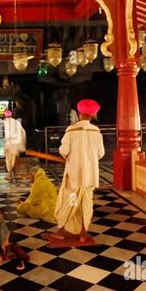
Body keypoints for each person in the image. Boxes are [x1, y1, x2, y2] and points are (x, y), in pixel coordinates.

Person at [43, 99, 104, 247]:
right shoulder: (97, 132)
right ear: (94, 115)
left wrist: (71, 156)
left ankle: (61, 232)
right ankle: (83, 234)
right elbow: (100, 154)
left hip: (74, 176)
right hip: (90, 177)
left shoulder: (71, 130)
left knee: (70, 202)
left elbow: (63, 151)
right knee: (86, 204)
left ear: (78, 113)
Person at [3, 109, 26, 182]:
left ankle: (11, 174)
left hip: (11, 145)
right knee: (14, 159)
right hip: (16, 145)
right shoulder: (16, 122)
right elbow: (23, 132)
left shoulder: (6, 122)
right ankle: (14, 174)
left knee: (9, 160)